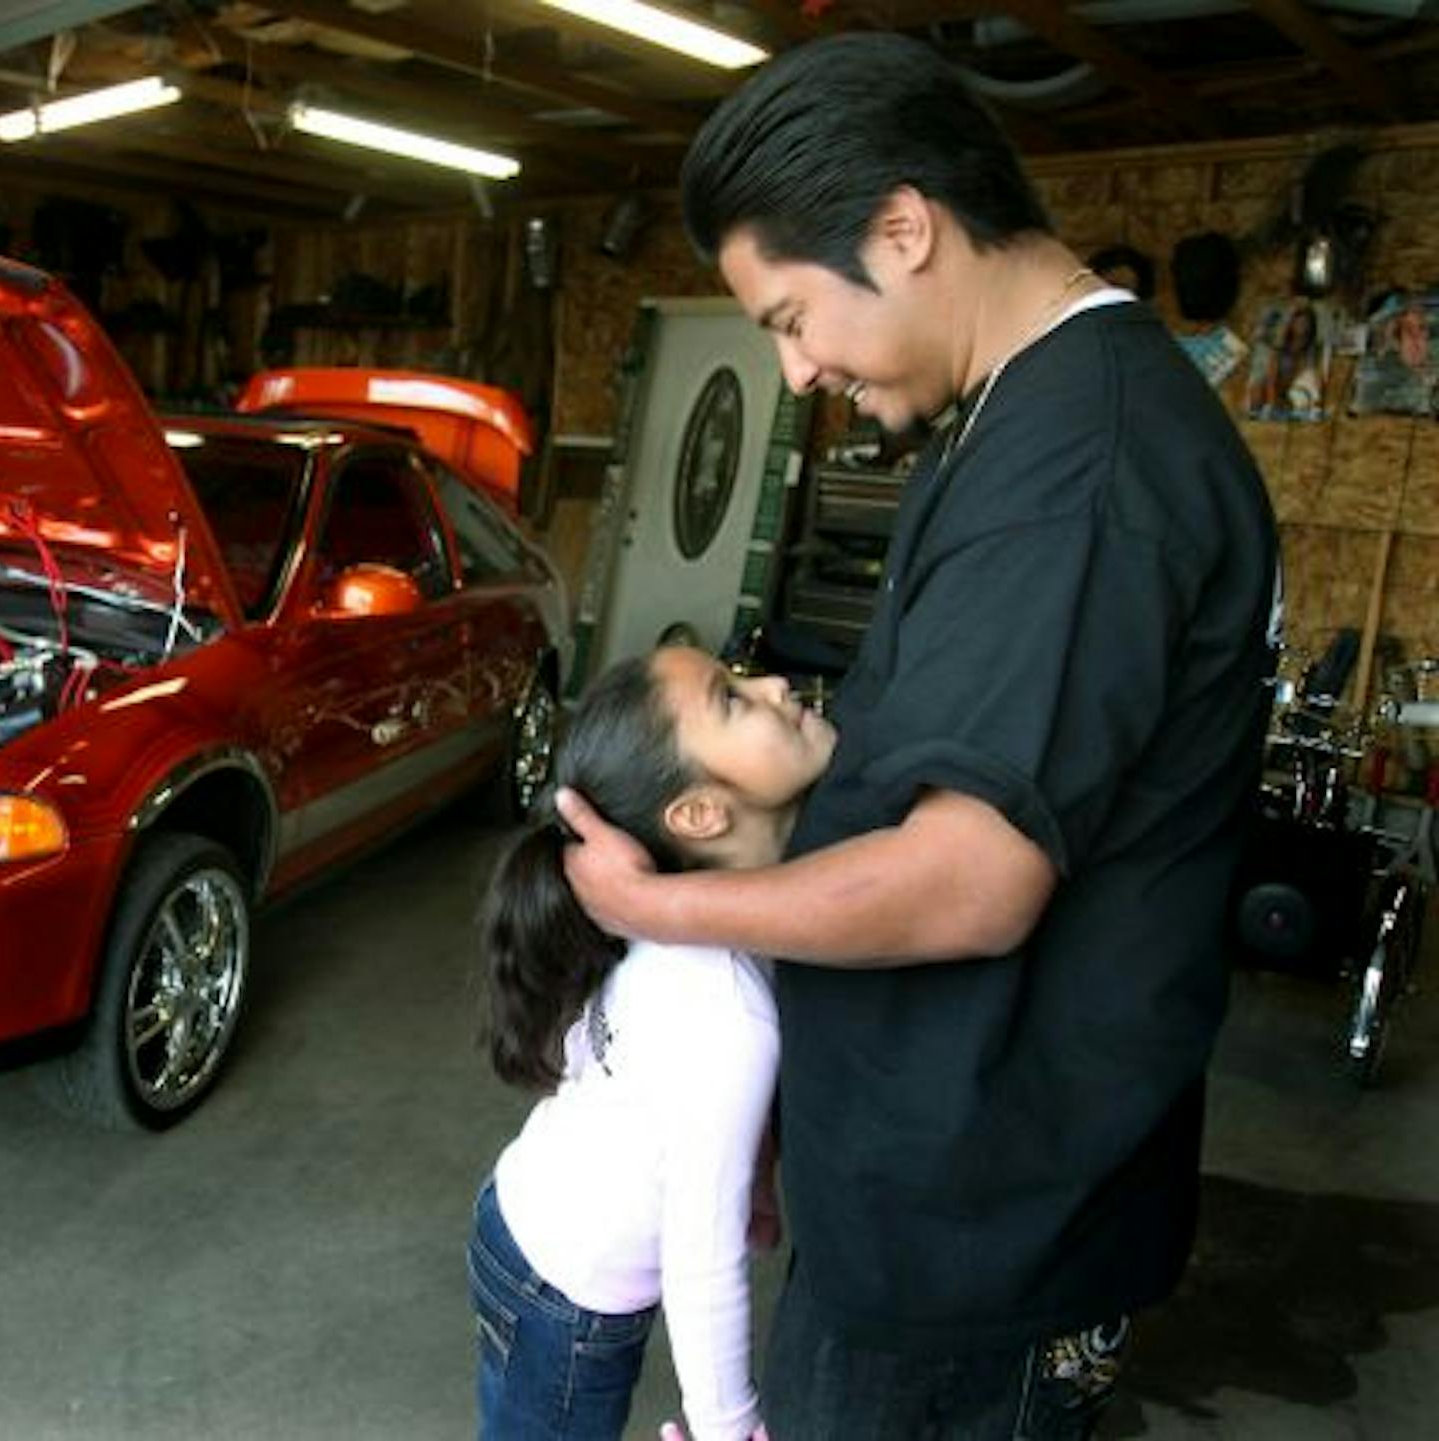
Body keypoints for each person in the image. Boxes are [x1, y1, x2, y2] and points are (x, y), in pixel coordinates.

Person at [558, 32, 1279, 1440]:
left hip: (979, 1228)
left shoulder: (1085, 466)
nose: (800, 369)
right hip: (913, 1174)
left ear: (903, 228)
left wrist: (655, 903)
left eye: (787, 316)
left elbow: (970, 878)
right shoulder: (1002, 420)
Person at [471, 646, 833, 1441]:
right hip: (564, 1295)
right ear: (698, 814)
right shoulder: (728, 1015)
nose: (775, 684)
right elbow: (701, 1258)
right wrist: (726, 1427)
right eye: (733, 700)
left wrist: (755, 1173)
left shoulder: (657, 914)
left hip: (518, 1218)